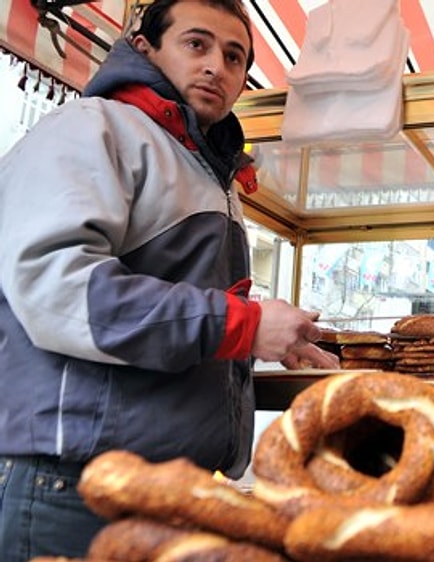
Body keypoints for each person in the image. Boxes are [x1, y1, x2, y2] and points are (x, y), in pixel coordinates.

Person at [0, 1, 338, 559]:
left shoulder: (208, 172)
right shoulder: (94, 129)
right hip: (71, 487)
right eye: (196, 44)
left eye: (234, 57)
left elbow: (178, 320)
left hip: (163, 488)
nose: (216, 68)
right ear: (144, 46)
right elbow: (58, 288)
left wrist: (259, 343)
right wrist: (244, 326)